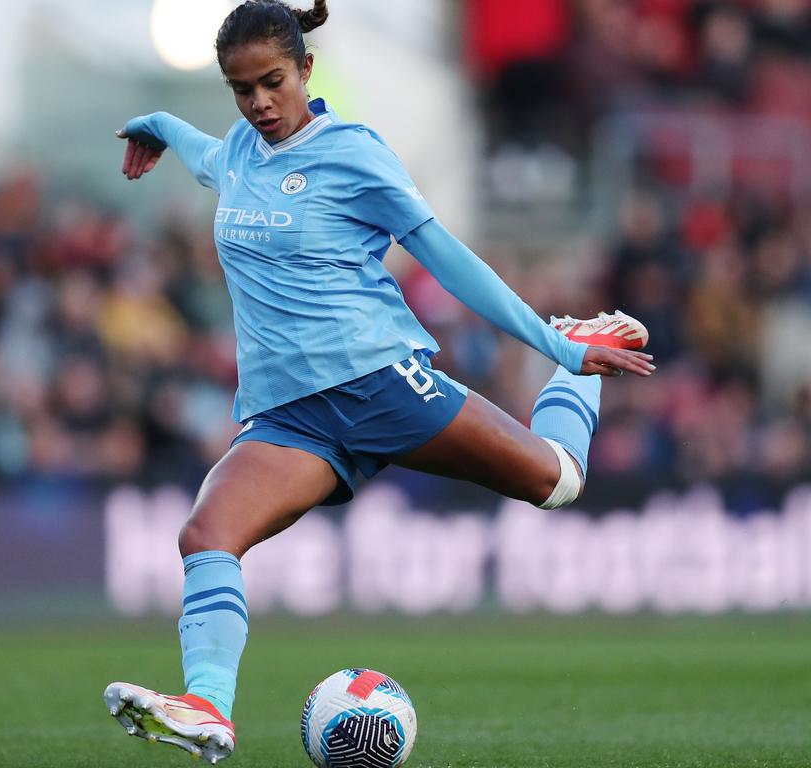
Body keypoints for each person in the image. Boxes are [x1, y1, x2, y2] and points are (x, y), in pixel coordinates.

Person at [103, 1, 655, 763]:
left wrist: (553, 342)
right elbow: (201, 152)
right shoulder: (236, 152)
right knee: (206, 536)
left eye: (271, 83)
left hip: (377, 383)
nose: (259, 103)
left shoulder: (353, 153)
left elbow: (447, 258)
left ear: (305, 70)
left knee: (557, 482)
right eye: (241, 90)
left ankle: (584, 344)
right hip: (291, 417)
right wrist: (157, 121)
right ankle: (208, 708)